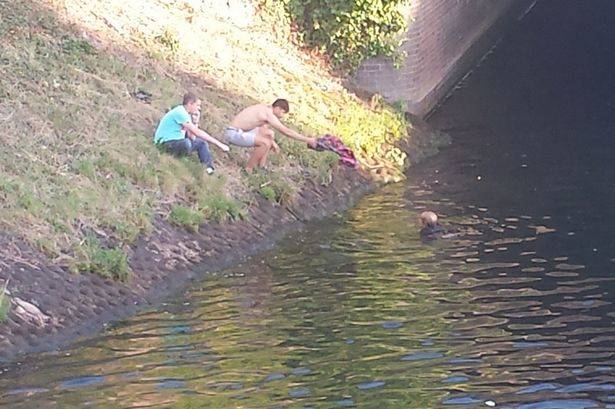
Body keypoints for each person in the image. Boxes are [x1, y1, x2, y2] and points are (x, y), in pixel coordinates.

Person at [225, 99, 317, 172]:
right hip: (233, 133)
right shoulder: (268, 114)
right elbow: (286, 131)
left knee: (269, 135)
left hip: (242, 131)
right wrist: (308, 140)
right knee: (265, 144)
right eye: (283, 112)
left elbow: (263, 130)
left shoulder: (264, 108)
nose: (282, 116)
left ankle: (261, 167)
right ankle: (248, 169)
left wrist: (273, 142)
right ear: (278, 108)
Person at [154, 93, 229, 174]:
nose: (199, 108)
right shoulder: (180, 112)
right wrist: (219, 144)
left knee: (201, 143)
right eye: (197, 105)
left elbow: (192, 137)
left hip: (178, 142)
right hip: (165, 143)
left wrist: (196, 121)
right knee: (186, 143)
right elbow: (197, 133)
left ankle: (209, 169)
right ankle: (176, 157)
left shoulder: (187, 115)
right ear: (190, 103)